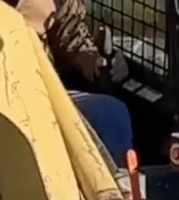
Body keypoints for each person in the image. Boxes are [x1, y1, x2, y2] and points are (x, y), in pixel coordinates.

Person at [12, 0, 135, 168]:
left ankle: (115, 189)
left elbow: (71, 35)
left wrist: (97, 60)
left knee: (111, 114)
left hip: (42, 92)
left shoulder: (56, 5)